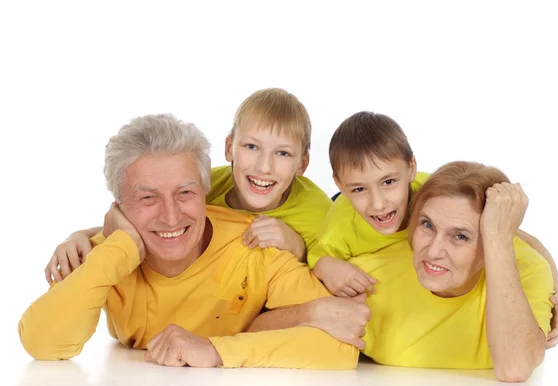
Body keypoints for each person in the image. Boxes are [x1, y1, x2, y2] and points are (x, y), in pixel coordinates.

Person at [18, 114, 361, 369]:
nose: (170, 216)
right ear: (118, 205)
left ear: (206, 191)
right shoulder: (108, 252)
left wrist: (214, 351)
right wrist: (118, 251)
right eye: (148, 198)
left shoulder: (257, 246)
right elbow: (42, 342)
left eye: (185, 192)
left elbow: (342, 344)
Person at [306, 111, 558, 347]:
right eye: (359, 189)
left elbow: (518, 237)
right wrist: (327, 265)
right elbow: (312, 259)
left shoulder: (431, 196)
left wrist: (556, 288)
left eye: (388, 182)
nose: (378, 203)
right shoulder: (340, 225)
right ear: (340, 183)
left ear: (411, 169)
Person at [44, 88, 331, 285]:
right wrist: (79, 236)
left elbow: (338, 277)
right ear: (230, 148)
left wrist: (299, 248)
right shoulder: (208, 184)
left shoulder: (318, 213)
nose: (264, 167)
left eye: (283, 153)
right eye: (252, 146)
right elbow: (157, 221)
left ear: (302, 165)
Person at [351, 161, 554, 381]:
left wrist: (498, 240)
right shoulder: (364, 276)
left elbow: (515, 368)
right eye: (427, 225)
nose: (434, 251)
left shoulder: (528, 271)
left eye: (460, 236)